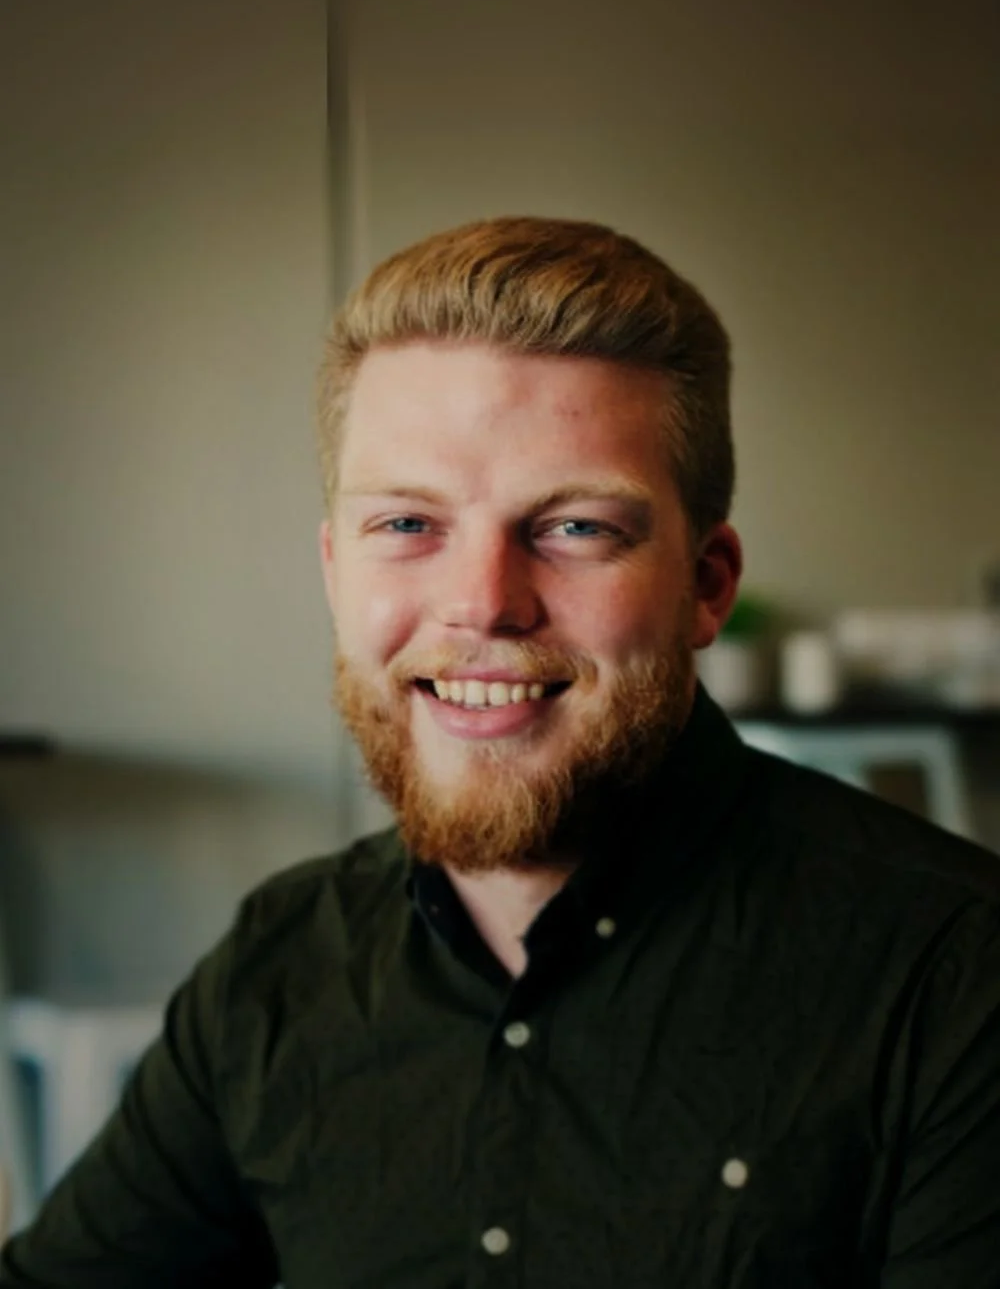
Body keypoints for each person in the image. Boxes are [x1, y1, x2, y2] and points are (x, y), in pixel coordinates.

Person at [3, 217, 1000, 1287]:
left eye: (575, 528)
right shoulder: (278, 966)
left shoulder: (954, 975)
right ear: (336, 570)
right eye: (406, 526)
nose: (480, 602)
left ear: (707, 585)